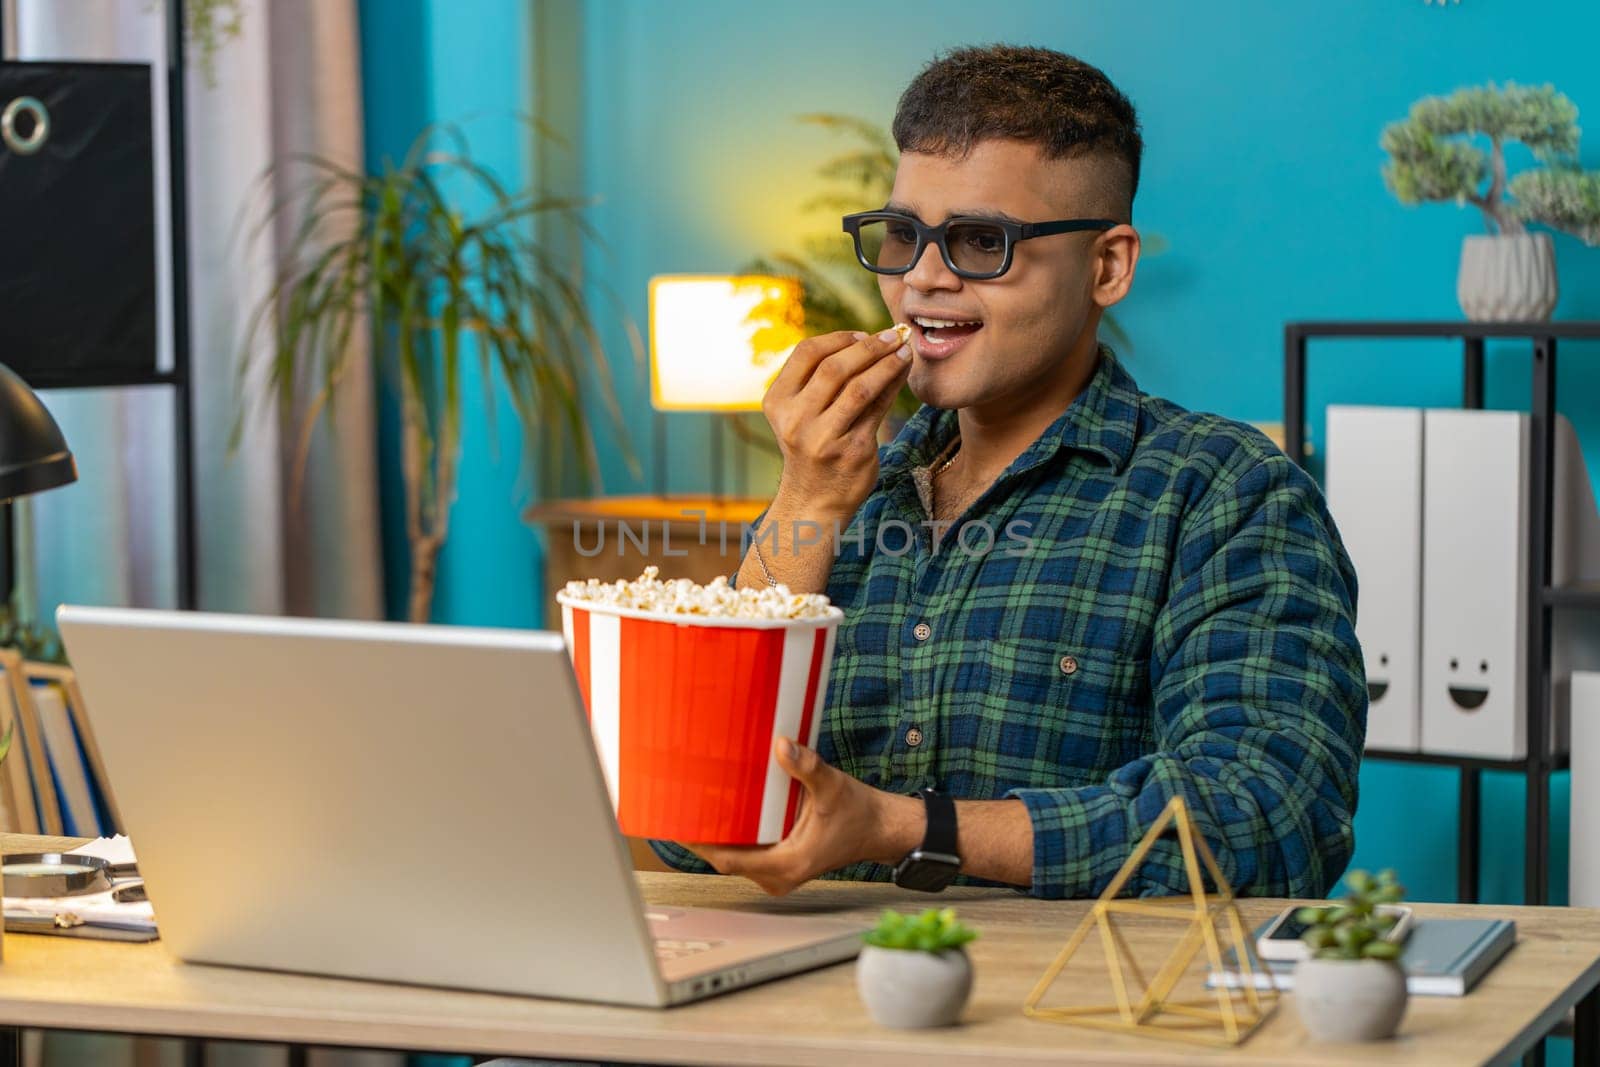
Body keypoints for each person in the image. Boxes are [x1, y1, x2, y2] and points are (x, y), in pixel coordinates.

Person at [650, 44, 1365, 900]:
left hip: (1060, 1016)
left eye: (980, 241)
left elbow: (1268, 818)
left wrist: (904, 828)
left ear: (1108, 266)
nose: (922, 279)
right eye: (906, 235)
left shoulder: (1226, 494)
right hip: (800, 1005)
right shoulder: (840, 488)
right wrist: (805, 502)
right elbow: (689, 824)